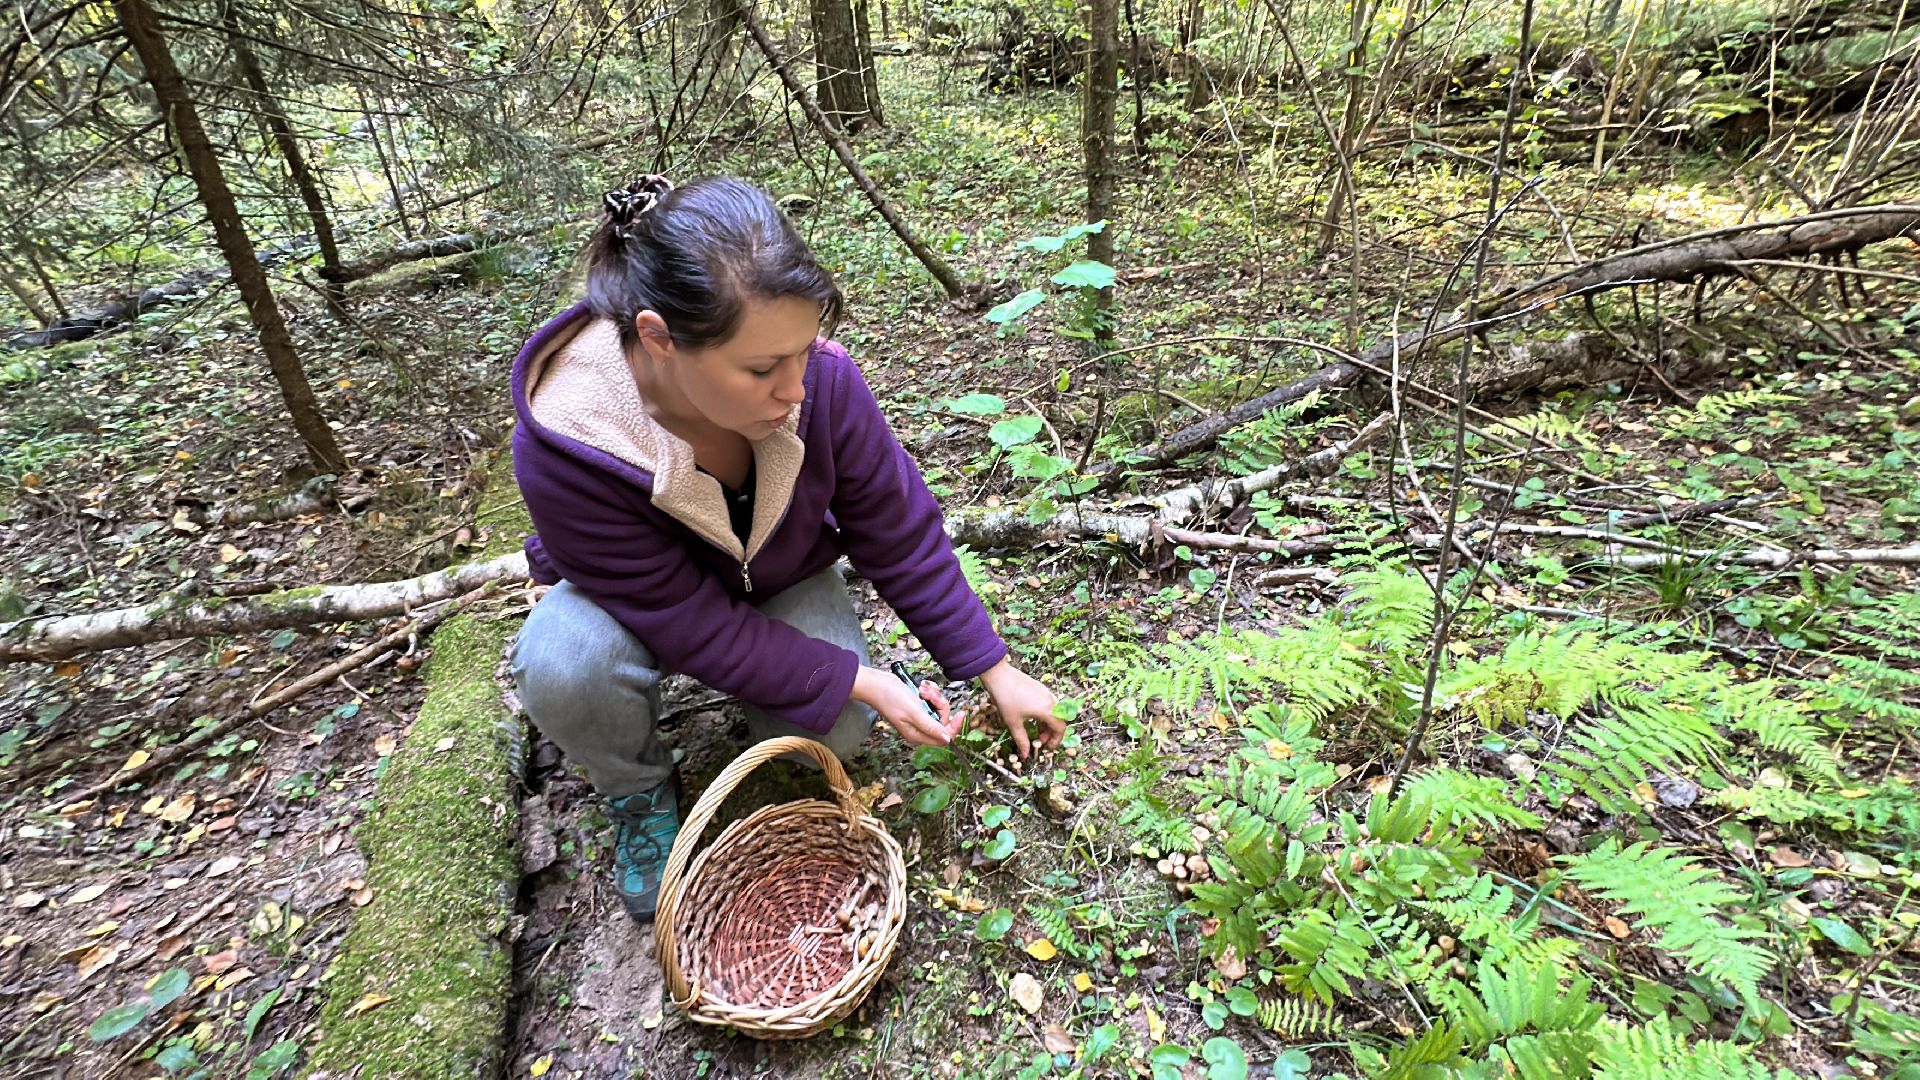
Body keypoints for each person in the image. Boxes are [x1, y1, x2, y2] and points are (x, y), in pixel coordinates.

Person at [507, 175, 1064, 922]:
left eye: (802, 351)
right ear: (658, 338)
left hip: (778, 575)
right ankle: (636, 789)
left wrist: (991, 667)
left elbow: (895, 530)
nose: (796, 389)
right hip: (640, 611)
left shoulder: (824, 384)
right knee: (562, 662)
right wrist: (859, 679)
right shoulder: (569, 442)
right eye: (763, 369)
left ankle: (812, 690)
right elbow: (686, 620)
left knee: (832, 730)